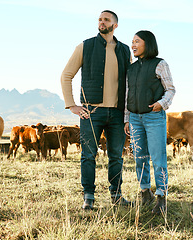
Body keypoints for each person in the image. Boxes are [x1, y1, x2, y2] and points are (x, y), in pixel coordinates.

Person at [61, 10, 131, 210]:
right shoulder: (85, 46)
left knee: (116, 156)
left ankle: (117, 196)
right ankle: (88, 197)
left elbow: (129, 83)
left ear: (115, 25)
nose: (102, 22)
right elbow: (66, 75)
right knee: (88, 155)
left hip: (117, 113)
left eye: (106, 19)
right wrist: (72, 104)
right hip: (91, 112)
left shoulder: (125, 50)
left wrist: (129, 113)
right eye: (100, 19)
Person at [124, 30, 175, 214]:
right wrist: (127, 119)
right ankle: (145, 193)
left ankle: (161, 198)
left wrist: (161, 104)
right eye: (132, 42)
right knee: (139, 158)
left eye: (137, 41)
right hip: (135, 119)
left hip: (154, 117)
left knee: (158, 159)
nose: (133, 45)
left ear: (148, 44)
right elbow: (127, 94)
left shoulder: (160, 64)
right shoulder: (131, 68)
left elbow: (170, 89)